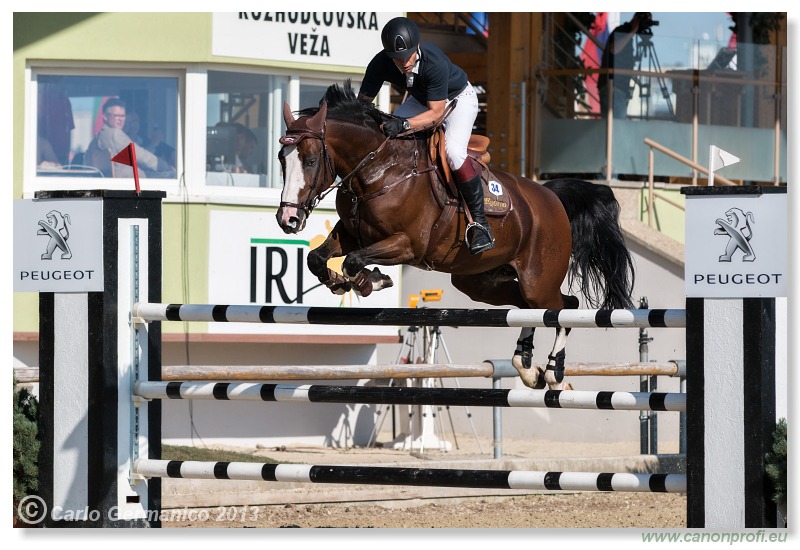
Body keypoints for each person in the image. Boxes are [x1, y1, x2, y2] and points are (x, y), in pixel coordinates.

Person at [357, 16, 493, 255]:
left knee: (453, 153)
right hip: (422, 101)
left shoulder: (434, 62)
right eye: (396, 58)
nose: (403, 62)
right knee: (387, 137)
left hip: (458, 100)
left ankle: (480, 224)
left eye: (407, 55)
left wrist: (403, 123)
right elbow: (362, 104)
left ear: (417, 47)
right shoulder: (380, 63)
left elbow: (436, 113)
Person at [85, 98, 173, 178]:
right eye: (116, 116)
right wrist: (165, 167)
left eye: (123, 116)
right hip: (134, 186)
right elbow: (140, 156)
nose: (121, 119)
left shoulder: (95, 141)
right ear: (105, 117)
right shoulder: (114, 134)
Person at [598, 12, 653, 119]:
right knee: (617, 127)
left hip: (617, 88)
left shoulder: (627, 36)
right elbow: (614, 49)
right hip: (613, 87)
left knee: (611, 127)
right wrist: (632, 32)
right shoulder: (622, 31)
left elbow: (622, 62)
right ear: (636, 19)